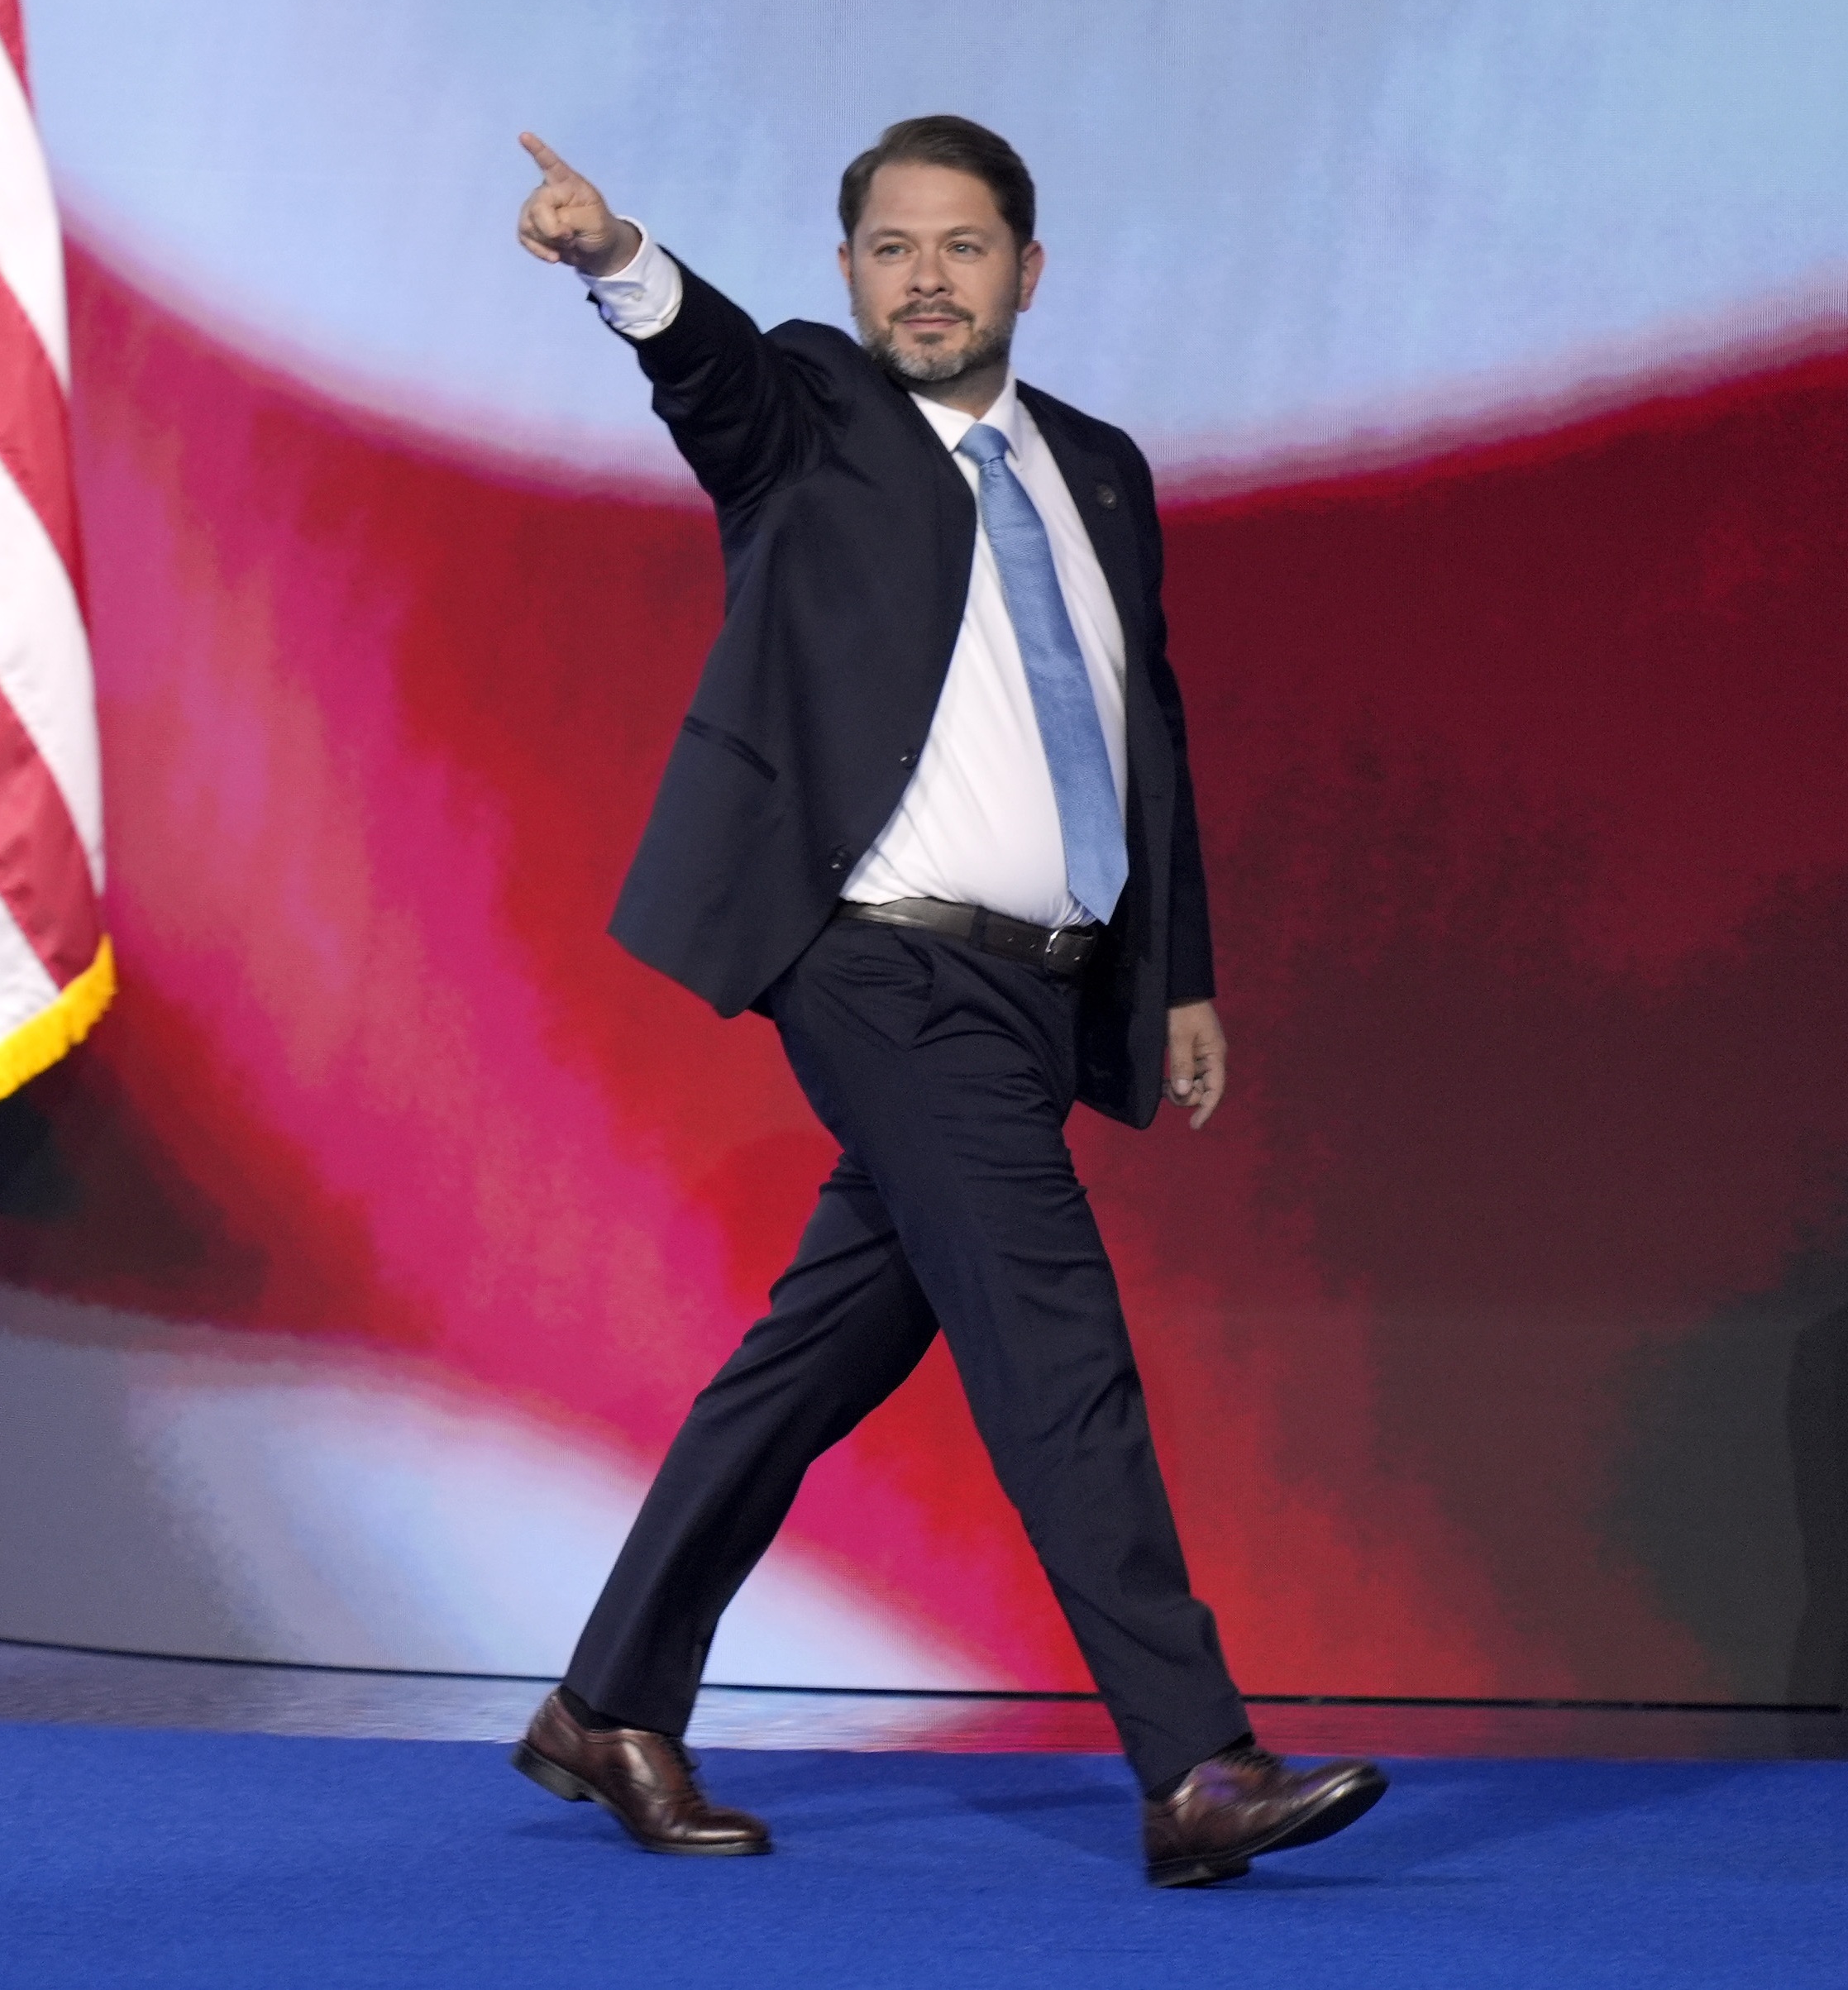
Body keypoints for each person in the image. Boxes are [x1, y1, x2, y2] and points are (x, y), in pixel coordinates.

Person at [505, 114, 1386, 1888]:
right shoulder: (813, 418)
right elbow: (709, 373)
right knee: (1054, 1341)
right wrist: (618, 261)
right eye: (892, 247)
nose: (926, 278)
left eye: (963, 247)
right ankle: (1195, 1762)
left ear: (1027, 271)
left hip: (1040, 993)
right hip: (875, 960)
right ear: (848, 274)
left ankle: (605, 1705)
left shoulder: (1106, 471)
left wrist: (1177, 973)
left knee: (815, 1356)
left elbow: (1152, 735)